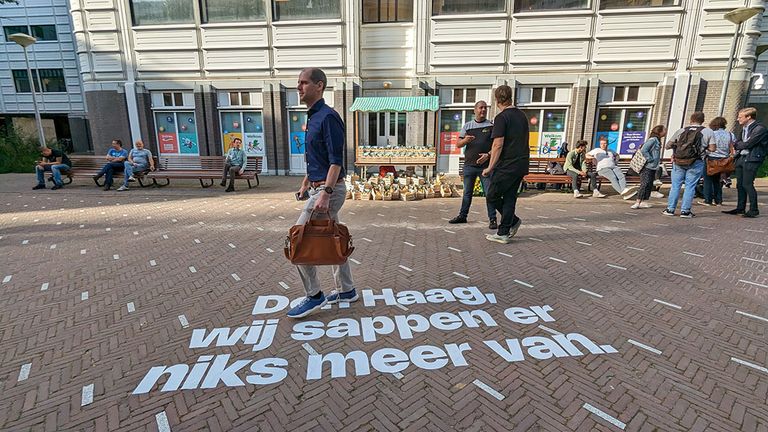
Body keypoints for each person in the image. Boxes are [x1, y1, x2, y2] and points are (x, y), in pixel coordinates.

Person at [287, 67, 355, 319]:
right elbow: (318, 158)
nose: (299, 87)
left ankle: (314, 295)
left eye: (304, 83)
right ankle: (347, 290)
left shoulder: (328, 117)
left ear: (320, 86)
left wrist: (325, 192)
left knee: (300, 239)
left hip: (330, 189)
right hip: (318, 186)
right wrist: (306, 182)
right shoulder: (312, 117)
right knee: (333, 236)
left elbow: (336, 160)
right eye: (298, 83)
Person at [482, 85, 528, 244]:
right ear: (511, 97)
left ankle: (511, 223)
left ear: (496, 100)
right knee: (509, 197)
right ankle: (504, 231)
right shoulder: (522, 116)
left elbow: (498, 144)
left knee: (492, 195)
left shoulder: (502, 118)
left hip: (507, 165)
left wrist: (490, 167)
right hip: (521, 164)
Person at [449, 100, 498, 229]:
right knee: (467, 193)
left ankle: (492, 219)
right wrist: (465, 140)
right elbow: (458, 144)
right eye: (481, 108)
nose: (483, 110)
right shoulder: (467, 126)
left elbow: (497, 146)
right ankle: (462, 216)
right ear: (475, 110)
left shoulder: (491, 126)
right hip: (469, 166)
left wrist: (488, 154)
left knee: (489, 193)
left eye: (485, 108)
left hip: (485, 167)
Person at [662, 112, 713, 218]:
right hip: (696, 161)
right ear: (702, 120)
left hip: (679, 162)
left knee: (675, 186)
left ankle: (670, 209)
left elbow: (667, 146)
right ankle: (685, 211)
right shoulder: (708, 132)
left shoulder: (681, 131)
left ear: (691, 119)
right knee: (690, 186)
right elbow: (712, 148)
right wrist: (703, 149)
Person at [723, 107, 768, 218]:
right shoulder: (744, 128)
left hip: (752, 158)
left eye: (740, 117)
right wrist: (740, 144)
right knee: (739, 185)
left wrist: (741, 144)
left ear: (749, 117)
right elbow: (737, 142)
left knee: (747, 184)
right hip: (741, 158)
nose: (738, 119)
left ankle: (754, 209)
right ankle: (740, 208)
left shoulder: (760, 128)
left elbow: (749, 144)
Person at [699, 117, 734, 207]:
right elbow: (733, 147)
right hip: (724, 161)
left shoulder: (712, 134)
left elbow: (705, 146)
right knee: (718, 181)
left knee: (708, 180)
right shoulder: (730, 135)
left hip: (711, 159)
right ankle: (718, 200)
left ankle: (708, 200)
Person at [631, 125, 666, 209]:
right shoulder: (653, 140)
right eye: (664, 130)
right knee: (645, 183)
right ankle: (638, 201)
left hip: (653, 166)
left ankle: (643, 201)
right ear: (659, 131)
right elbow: (644, 150)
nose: (665, 131)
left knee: (649, 184)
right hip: (647, 166)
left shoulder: (657, 140)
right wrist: (650, 159)